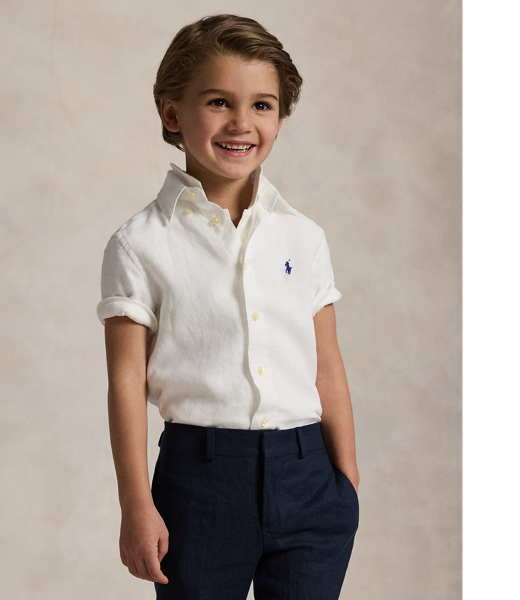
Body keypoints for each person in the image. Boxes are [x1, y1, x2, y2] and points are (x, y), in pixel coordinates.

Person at [98, 14, 359, 600]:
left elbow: (326, 363)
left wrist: (346, 482)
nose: (242, 122)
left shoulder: (303, 237)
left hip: (310, 475)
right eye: (219, 101)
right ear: (172, 113)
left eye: (262, 105)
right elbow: (125, 380)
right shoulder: (140, 244)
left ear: (280, 119)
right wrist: (135, 504)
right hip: (201, 482)